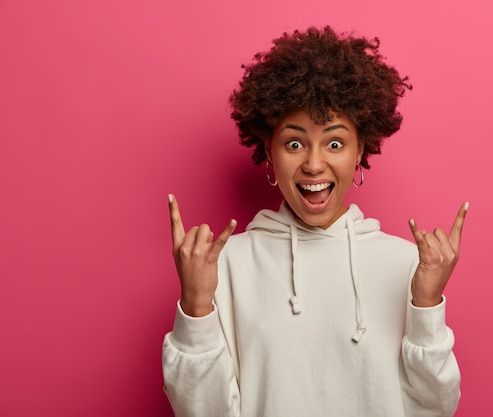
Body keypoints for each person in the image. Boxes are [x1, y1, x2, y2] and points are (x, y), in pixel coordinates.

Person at [162, 26, 468, 417]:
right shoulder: (223, 266)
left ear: (360, 151)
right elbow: (201, 411)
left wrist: (426, 305)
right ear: (269, 152)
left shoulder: (408, 264)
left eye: (335, 143)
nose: (313, 163)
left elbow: (436, 409)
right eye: (294, 143)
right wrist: (196, 305)